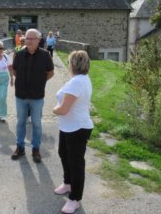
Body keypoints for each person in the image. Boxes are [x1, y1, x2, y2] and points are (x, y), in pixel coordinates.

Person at [52, 50, 93, 214]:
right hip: (68, 127)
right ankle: (67, 183)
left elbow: (63, 109)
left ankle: (75, 199)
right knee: (64, 154)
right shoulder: (78, 79)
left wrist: (54, 109)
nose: (68, 64)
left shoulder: (77, 82)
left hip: (78, 128)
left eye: (69, 62)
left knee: (76, 164)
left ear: (73, 64)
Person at [11, 28, 54, 163]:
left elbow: (50, 73)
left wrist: (39, 82)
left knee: (36, 124)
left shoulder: (45, 55)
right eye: (27, 38)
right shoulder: (18, 54)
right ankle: (20, 147)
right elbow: (15, 71)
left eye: (31, 38)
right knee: (20, 123)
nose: (28, 41)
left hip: (37, 96)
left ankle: (36, 149)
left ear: (39, 40)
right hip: (21, 96)